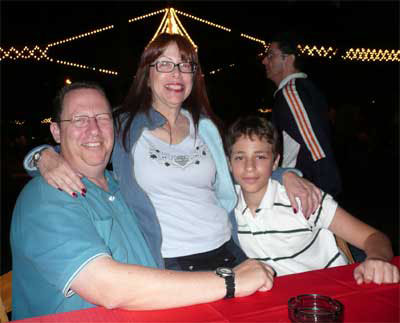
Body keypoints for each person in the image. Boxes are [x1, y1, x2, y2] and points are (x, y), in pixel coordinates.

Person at [23, 33, 321, 271]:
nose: (176, 73)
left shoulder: (206, 127)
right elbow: (84, 138)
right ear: (146, 74)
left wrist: (285, 175)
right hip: (171, 262)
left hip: (228, 249)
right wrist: (42, 156)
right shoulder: (124, 126)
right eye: (164, 64)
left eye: (184, 64)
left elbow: (244, 168)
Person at [11, 83, 275, 320]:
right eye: (79, 119)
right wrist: (230, 282)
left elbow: (227, 174)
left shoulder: (124, 184)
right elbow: (108, 288)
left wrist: (285, 175)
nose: (93, 129)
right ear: (56, 131)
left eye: (102, 118)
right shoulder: (45, 198)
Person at [225, 115, 399, 283]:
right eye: (240, 157)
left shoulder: (303, 197)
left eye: (260, 156)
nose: (249, 167)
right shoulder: (227, 205)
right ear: (229, 163)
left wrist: (377, 258)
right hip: (280, 301)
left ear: (276, 161)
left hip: (332, 289)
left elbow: (373, 237)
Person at [262, 32, 342, 198]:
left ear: (289, 59)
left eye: (270, 55)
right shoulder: (302, 90)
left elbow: (316, 148)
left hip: (303, 192)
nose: (264, 61)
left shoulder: (291, 93)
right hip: (304, 189)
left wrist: (324, 196)